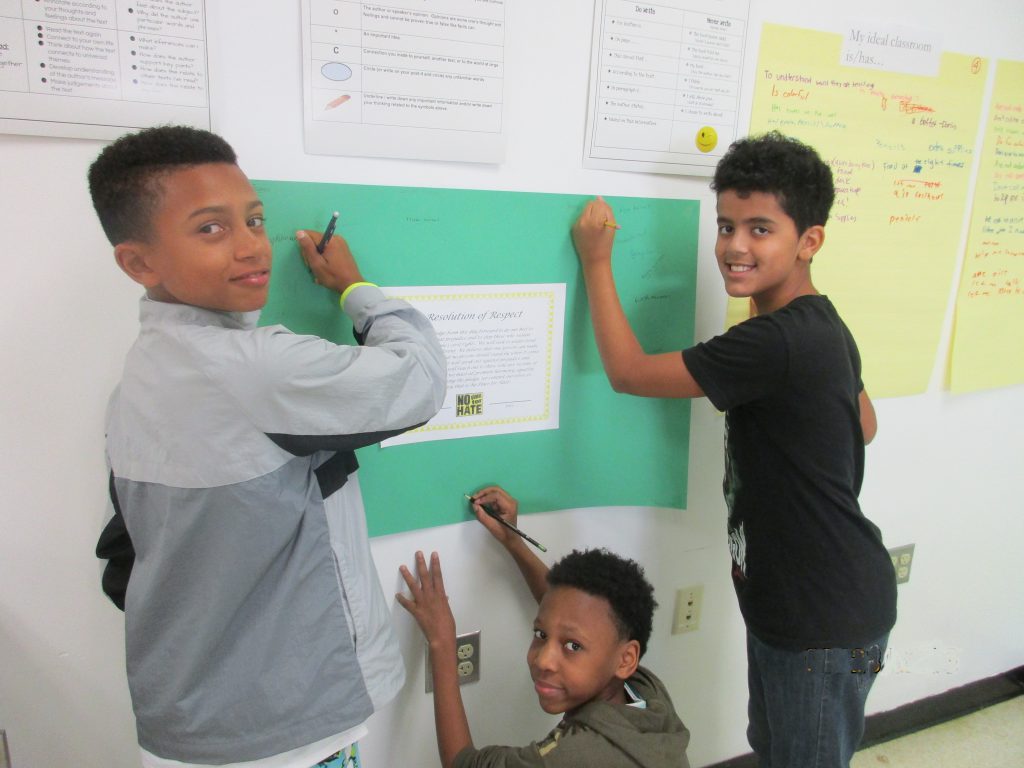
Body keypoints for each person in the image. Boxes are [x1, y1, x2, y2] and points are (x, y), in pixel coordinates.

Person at [89, 125, 446, 767]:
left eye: (254, 220)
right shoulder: (256, 368)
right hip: (283, 730)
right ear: (138, 261)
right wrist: (358, 290)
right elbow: (421, 380)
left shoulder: (139, 374)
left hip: (188, 717)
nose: (252, 247)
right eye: (210, 228)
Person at [569, 131, 897, 768]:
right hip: (806, 604)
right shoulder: (818, 323)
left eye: (760, 229)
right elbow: (866, 423)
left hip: (820, 620)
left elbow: (629, 372)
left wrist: (594, 262)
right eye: (725, 226)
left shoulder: (774, 344)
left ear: (810, 240)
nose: (735, 246)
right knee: (776, 752)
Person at [397, 485, 691, 768]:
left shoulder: (574, 756)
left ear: (626, 658)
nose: (543, 660)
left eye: (572, 647)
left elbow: (463, 764)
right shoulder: (644, 692)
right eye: (540, 634)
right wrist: (513, 541)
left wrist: (442, 642)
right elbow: (572, 616)